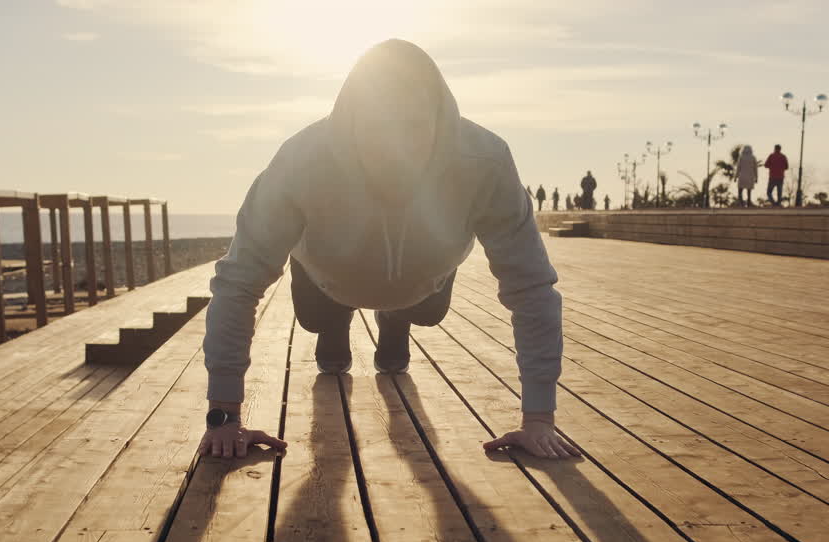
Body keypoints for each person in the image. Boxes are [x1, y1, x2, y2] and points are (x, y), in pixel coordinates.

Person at [199, 39, 578, 461]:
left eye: (413, 127)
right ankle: (336, 324)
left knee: (426, 312)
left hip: (424, 276)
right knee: (320, 329)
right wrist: (224, 415)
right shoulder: (301, 161)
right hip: (328, 277)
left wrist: (539, 419)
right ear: (352, 122)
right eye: (380, 128)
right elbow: (238, 282)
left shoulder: (484, 161)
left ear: (439, 121)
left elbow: (532, 287)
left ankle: (394, 321)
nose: (396, 147)